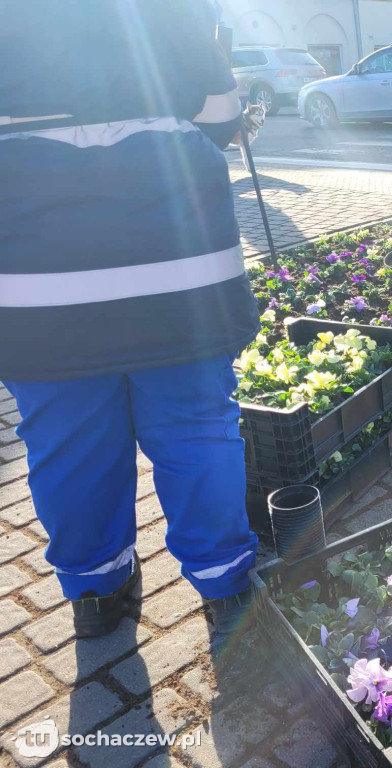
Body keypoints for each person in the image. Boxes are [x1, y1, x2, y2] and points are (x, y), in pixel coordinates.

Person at [1, 1, 263, 640]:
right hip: (177, 268)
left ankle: (97, 590)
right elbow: (221, 118)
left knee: (66, 442)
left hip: (40, 280)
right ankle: (224, 582)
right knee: (197, 428)